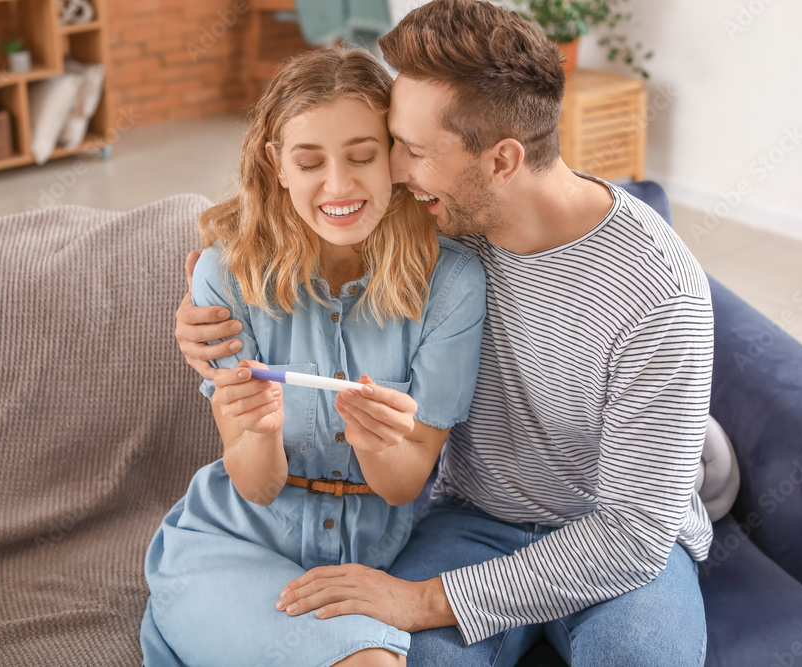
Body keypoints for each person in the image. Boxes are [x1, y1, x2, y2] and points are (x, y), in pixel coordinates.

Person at [174, 1, 715, 665]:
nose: (395, 172)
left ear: (502, 161)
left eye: (415, 152)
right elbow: (296, 215)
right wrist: (201, 305)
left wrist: (427, 599)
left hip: (616, 540)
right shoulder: (440, 224)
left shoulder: (661, 297)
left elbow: (633, 532)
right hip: (475, 521)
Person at [140, 46, 486, 667]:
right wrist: (257, 430)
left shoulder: (452, 281)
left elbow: (406, 482)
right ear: (276, 164)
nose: (339, 186)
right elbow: (256, 484)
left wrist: (380, 442)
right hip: (233, 546)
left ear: (395, 156)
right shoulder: (226, 274)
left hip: (371, 557)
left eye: (362, 156)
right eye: (309, 162)